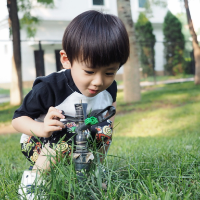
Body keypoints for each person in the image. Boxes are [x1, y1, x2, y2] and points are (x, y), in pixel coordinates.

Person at [12, 10, 129, 199]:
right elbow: (18, 120)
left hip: (81, 134)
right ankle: (34, 184)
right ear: (67, 60)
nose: (98, 81)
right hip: (40, 141)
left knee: (104, 131)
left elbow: (109, 115)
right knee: (62, 140)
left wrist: (101, 128)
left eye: (109, 72)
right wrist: (42, 128)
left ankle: (93, 175)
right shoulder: (50, 87)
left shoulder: (110, 88)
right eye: (89, 71)